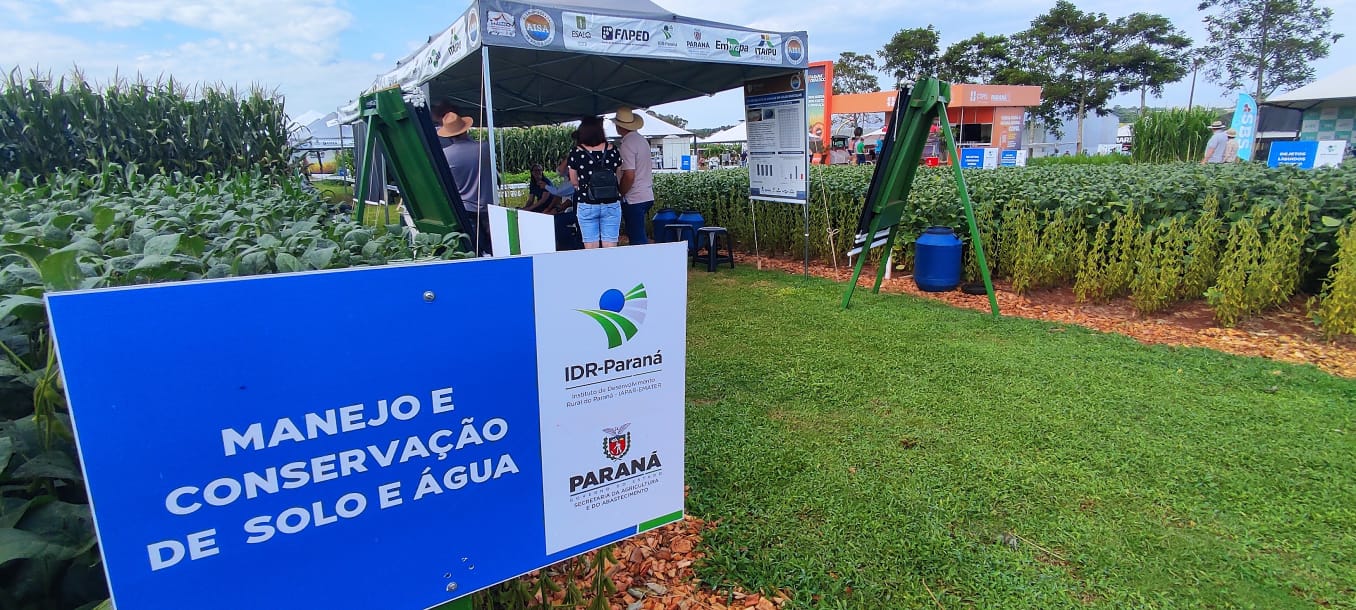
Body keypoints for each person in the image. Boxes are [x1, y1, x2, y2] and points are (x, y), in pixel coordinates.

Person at [432, 101, 494, 255]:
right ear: (465, 129)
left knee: (473, 251)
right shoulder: (484, 148)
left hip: (465, 209)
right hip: (488, 209)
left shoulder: (446, 155)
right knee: (494, 250)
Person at [568, 118, 623, 248]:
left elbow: (574, 181)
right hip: (611, 203)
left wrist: (580, 187)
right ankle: (610, 268)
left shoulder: (576, 152)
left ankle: (595, 268)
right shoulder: (613, 150)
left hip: (587, 202)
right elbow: (619, 177)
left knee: (590, 247)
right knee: (610, 246)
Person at [613, 107, 655, 246]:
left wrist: (621, 192)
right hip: (646, 193)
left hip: (634, 197)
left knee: (637, 238)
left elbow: (629, 175)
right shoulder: (641, 140)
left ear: (619, 126)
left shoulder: (627, 144)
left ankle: (642, 265)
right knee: (638, 234)